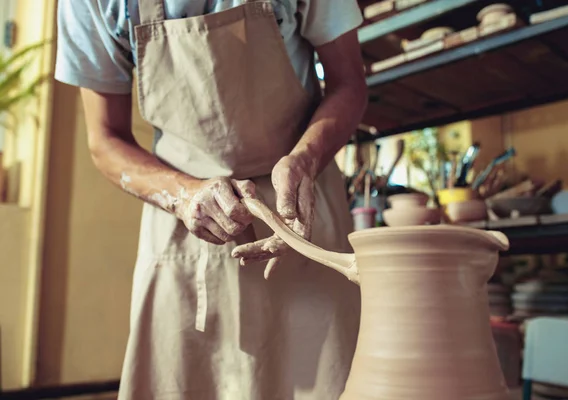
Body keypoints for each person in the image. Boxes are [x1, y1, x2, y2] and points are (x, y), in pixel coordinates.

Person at [55, 0, 367, 398]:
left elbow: (348, 83)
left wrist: (306, 160)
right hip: (181, 217)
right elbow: (104, 139)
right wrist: (184, 195)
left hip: (302, 207)